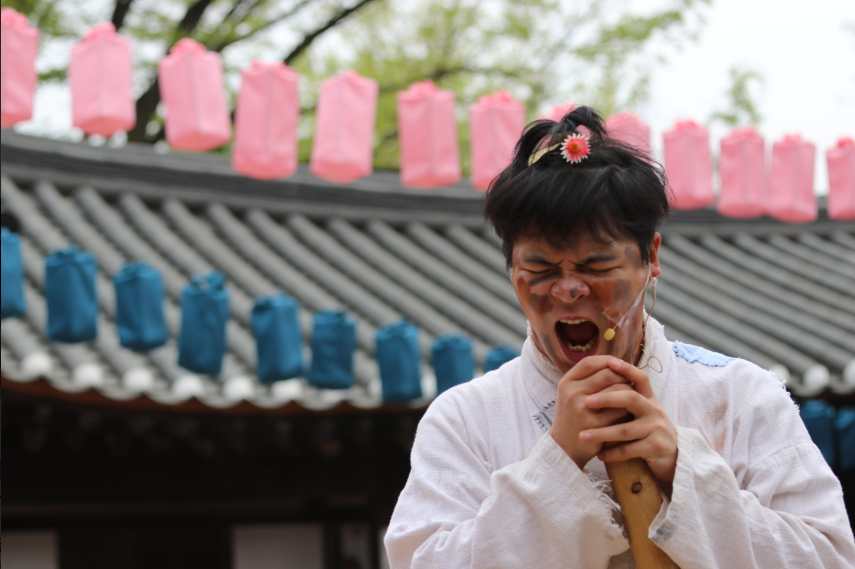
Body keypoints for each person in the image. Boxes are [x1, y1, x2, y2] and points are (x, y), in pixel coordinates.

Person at [384, 106, 855, 568]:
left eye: (596, 265)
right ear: (512, 272)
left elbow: (828, 556)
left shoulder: (741, 396)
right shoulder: (465, 419)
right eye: (541, 269)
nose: (568, 288)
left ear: (650, 256)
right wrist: (556, 464)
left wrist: (685, 469)